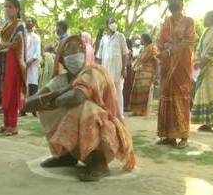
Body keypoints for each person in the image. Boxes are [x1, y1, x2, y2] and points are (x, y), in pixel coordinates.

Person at [24, 35, 136, 181]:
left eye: (78, 51)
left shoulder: (93, 72)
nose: (74, 56)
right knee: (48, 107)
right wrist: (56, 94)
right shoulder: (61, 80)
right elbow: (28, 104)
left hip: (106, 130)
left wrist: (54, 99)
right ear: (63, 59)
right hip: (77, 110)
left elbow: (77, 96)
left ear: (84, 54)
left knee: (85, 108)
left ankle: (98, 162)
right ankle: (67, 156)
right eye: (69, 53)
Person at [157, 0, 197, 148]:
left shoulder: (189, 21)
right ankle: (169, 136)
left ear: (182, 3)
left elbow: (190, 40)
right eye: (170, 1)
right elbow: (161, 42)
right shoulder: (166, 22)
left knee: (181, 98)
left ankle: (183, 137)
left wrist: (172, 49)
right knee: (167, 98)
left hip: (182, 66)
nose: (173, 3)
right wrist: (164, 49)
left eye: (176, 1)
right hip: (167, 67)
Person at [0, 0, 27, 136]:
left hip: (14, 60)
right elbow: (4, 41)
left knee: (12, 92)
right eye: (5, 7)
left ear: (17, 9)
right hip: (5, 60)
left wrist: (3, 46)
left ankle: (13, 126)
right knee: (5, 91)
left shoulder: (20, 25)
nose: (7, 9)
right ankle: (6, 123)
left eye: (10, 7)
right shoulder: (7, 24)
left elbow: (17, 43)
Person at [192, 11, 213, 134]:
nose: (203, 20)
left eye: (205, 18)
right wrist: (197, 61)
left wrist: (201, 62)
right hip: (203, 67)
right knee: (204, 94)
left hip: (211, 68)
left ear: (211, 19)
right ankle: (207, 123)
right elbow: (199, 49)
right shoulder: (206, 32)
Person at [96, 18, 129, 119]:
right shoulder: (104, 38)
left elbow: (125, 54)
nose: (113, 24)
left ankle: (119, 115)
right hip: (106, 70)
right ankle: (108, 113)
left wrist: (124, 69)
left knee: (118, 91)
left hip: (117, 70)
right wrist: (98, 71)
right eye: (111, 22)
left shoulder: (120, 37)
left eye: (114, 22)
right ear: (107, 25)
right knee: (106, 91)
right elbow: (99, 56)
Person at [130, 33, 158, 116]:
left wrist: (156, 74)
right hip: (140, 72)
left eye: (141, 39)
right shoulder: (144, 49)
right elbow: (139, 60)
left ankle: (143, 111)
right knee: (138, 91)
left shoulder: (152, 48)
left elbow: (156, 61)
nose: (140, 40)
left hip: (148, 73)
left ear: (145, 39)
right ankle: (137, 110)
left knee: (144, 92)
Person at [21, 17, 42, 116]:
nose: (28, 22)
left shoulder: (36, 37)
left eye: (30, 21)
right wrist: (22, 61)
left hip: (32, 65)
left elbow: (37, 52)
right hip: (23, 63)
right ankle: (22, 109)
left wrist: (30, 61)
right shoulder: (22, 36)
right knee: (23, 86)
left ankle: (33, 109)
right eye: (27, 21)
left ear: (34, 24)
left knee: (33, 86)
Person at [123, 38, 135, 111]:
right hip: (129, 69)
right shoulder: (130, 51)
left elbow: (127, 62)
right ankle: (126, 105)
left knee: (126, 87)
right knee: (126, 87)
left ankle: (126, 105)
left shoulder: (128, 51)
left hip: (128, 69)